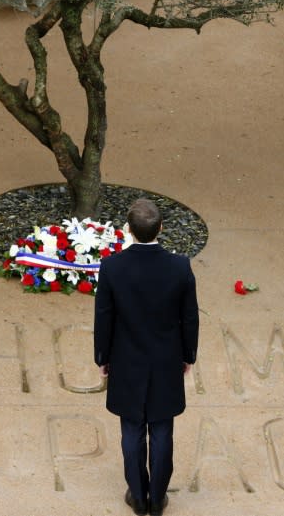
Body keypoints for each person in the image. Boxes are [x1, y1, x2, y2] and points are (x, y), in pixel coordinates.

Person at [94, 198, 199, 516]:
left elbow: (105, 316)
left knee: (132, 429)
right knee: (162, 428)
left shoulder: (112, 267)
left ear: (128, 230)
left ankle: (138, 495)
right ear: (161, 228)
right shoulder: (179, 267)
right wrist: (188, 354)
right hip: (166, 360)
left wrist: (102, 356)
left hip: (127, 360)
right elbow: (190, 317)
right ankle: (158, 497)